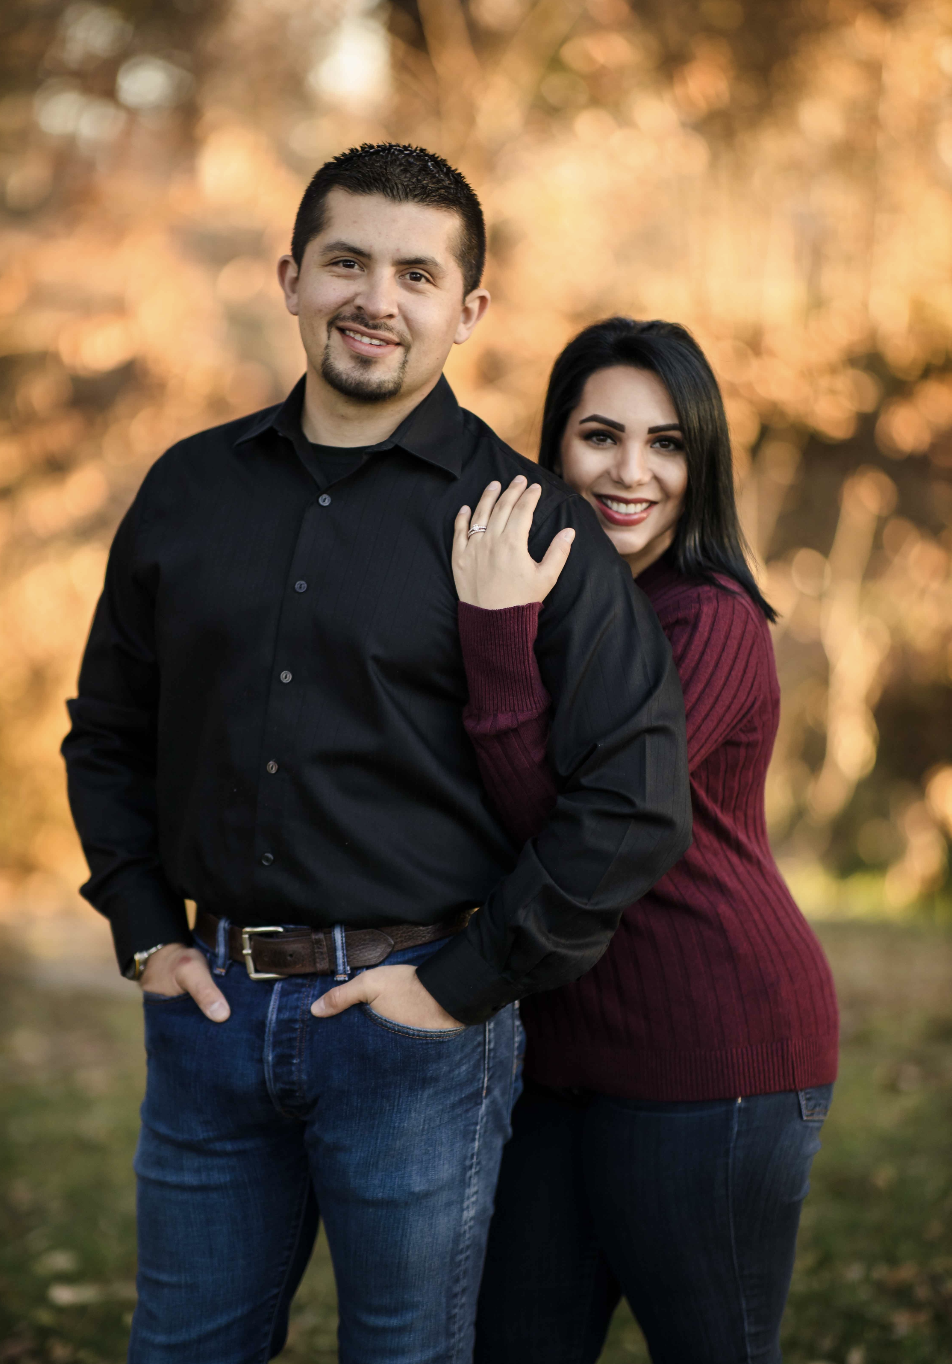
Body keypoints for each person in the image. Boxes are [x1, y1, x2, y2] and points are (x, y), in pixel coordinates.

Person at [61, 151, 691, 1364]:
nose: (377, 298)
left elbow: (633, 792)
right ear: (292, 277)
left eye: (417, 272)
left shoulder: (528, 521)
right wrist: (143, 925)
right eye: (347, 261)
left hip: (414, 1035)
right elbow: (109, 729)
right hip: (206, 1011)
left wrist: (463, 981)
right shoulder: (189, 487)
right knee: (180, 1346)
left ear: (469, 309)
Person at [452, 317, 839, 1364]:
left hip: (715, 1049)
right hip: (565, 1058)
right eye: (600, 435)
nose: (632, 472)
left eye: (667, 442)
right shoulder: (572, 603)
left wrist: (493, 636)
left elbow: (581, 823)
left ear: (700, 461)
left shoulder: (704, 619)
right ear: (554, 446)